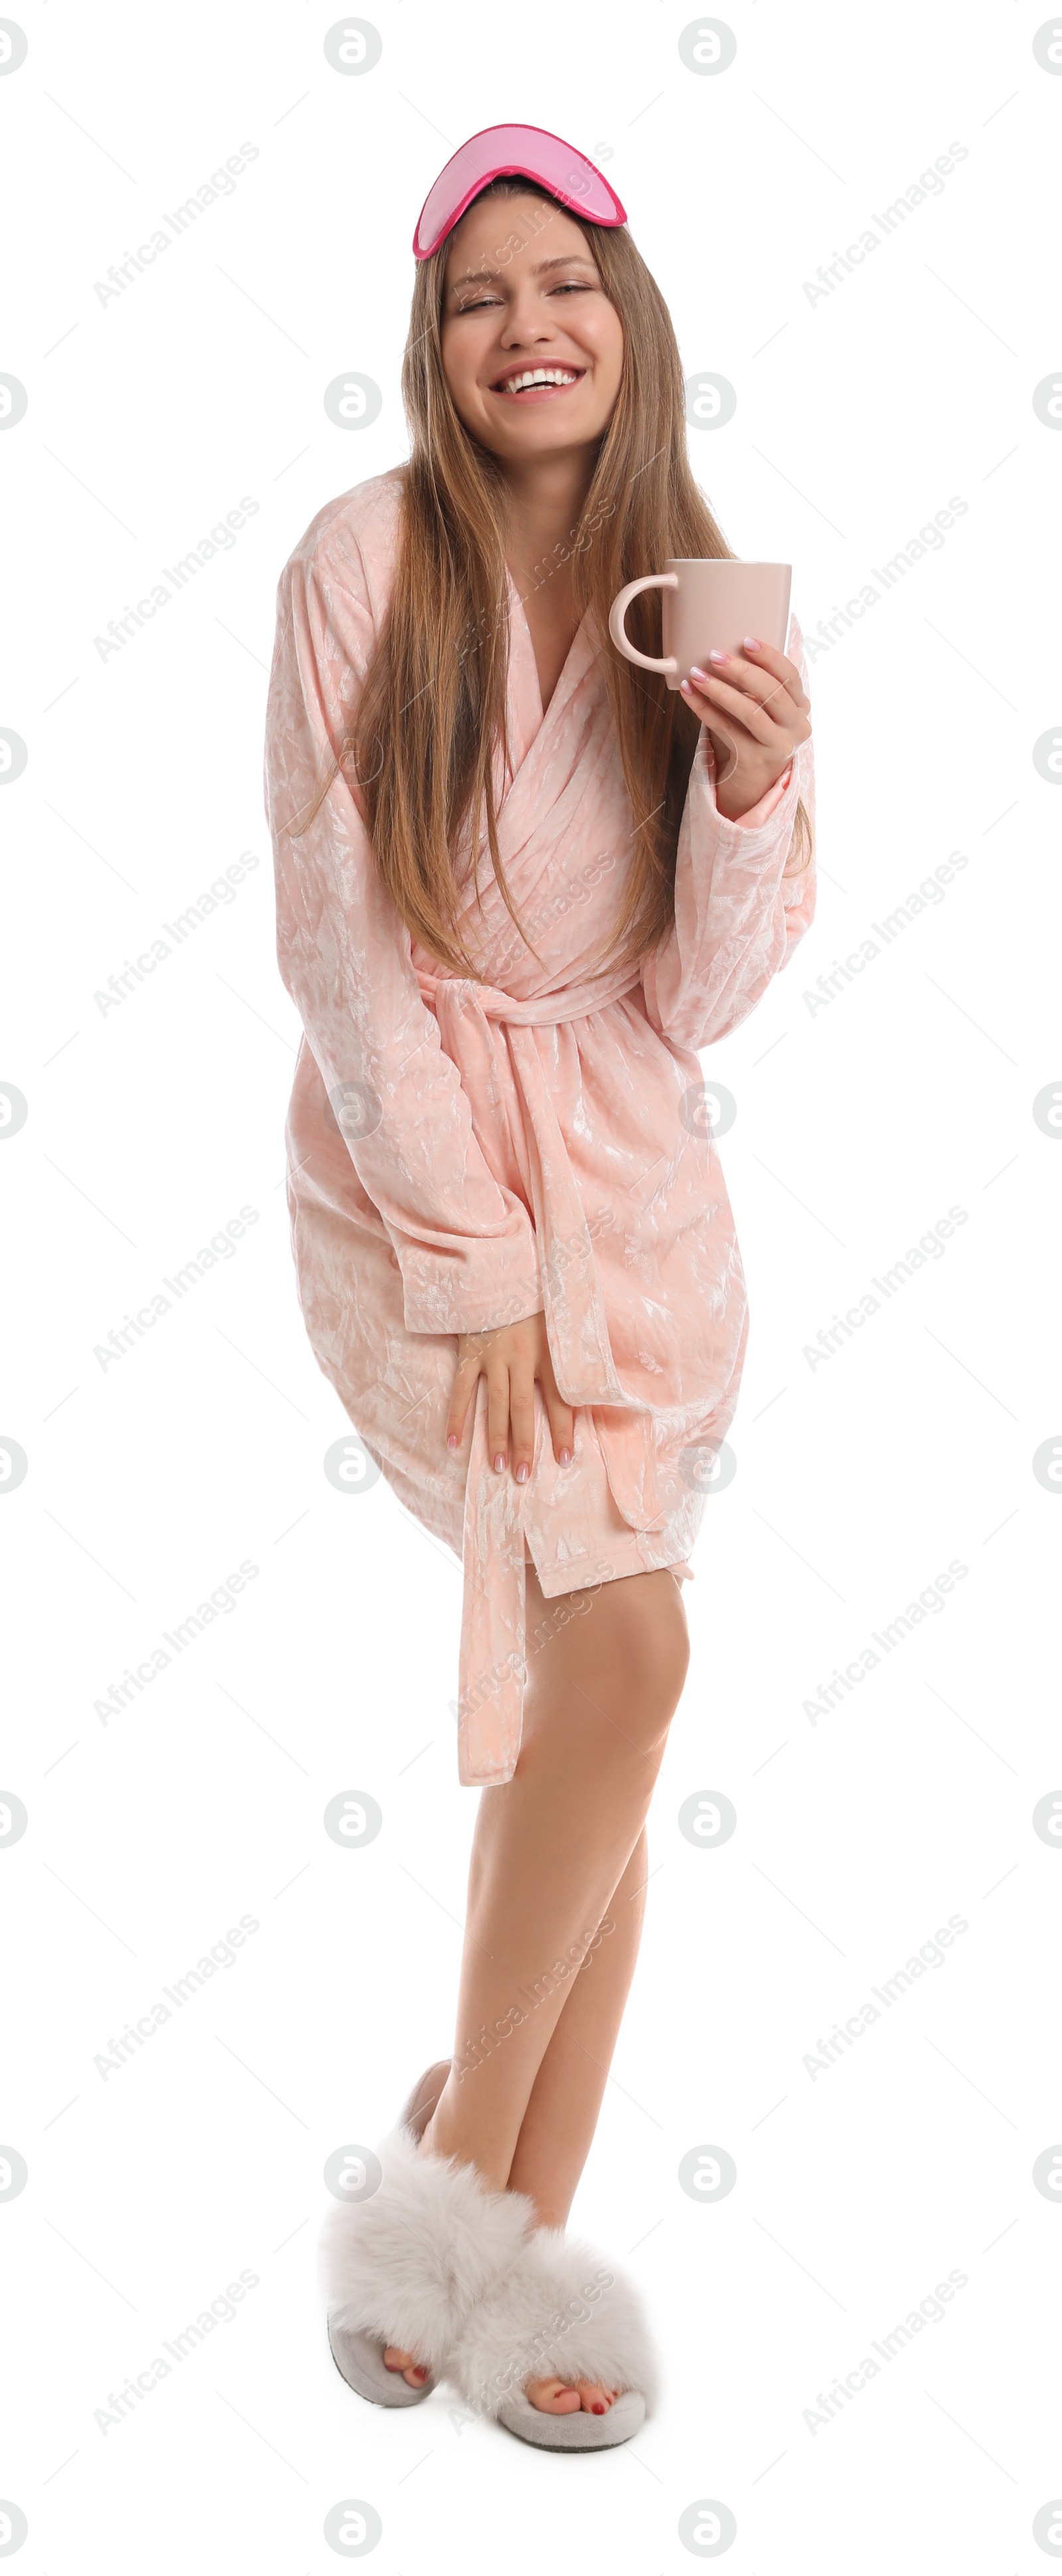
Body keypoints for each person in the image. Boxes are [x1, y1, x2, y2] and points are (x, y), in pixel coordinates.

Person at [264, 123, 814, 2451]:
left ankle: (488, 2201)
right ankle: (473, 2186)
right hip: (420, 1195)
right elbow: (335, 945)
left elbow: (703, 1002)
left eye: (564, 283)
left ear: (630, 318)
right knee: (628, 1646)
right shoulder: (358, 561)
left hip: (641, 1195)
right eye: (481, 294)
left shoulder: (689, 579)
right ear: (434, 340)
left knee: (608, 1690)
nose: (529, 329)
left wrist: (760, 801)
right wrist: (473, 1262)